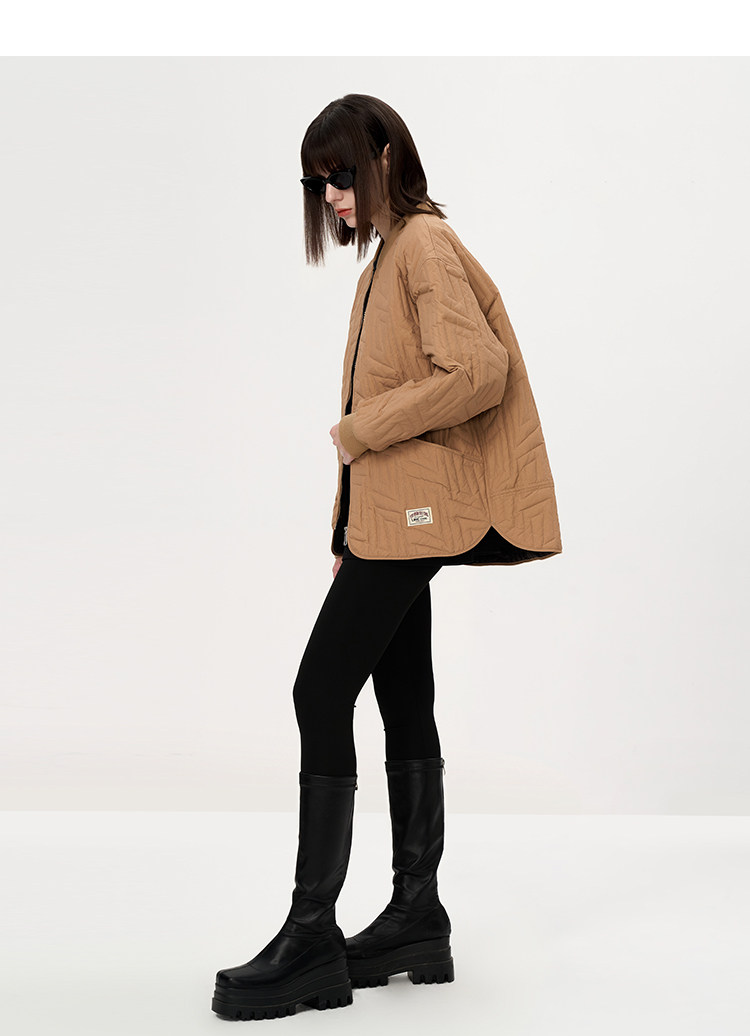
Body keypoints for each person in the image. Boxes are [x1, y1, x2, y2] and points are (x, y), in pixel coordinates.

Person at [211, 93, 563, 1021]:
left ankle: (311, 938)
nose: (329, 196)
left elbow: (476, 373)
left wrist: (361, 429)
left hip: (418, 513)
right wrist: (349, 534)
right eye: (314, 184)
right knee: (403, 698)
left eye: (338, 175)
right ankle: (416, 916)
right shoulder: (388, 258)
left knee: (318, 691)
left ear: (383, 158)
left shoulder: (423, 246)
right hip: (398, 521)